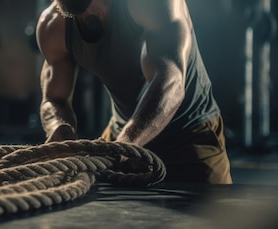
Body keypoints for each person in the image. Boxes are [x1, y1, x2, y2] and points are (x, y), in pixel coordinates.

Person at [35, 0, 232, 184]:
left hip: (188, 136)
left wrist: (125, 144)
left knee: (213, 218)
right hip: (121, 136)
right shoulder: (53, 25)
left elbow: (171, 83)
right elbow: (54, 99)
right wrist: (60, 129)